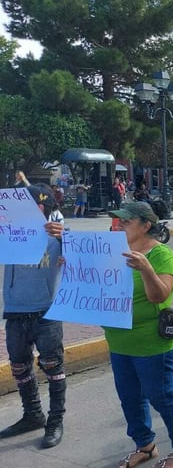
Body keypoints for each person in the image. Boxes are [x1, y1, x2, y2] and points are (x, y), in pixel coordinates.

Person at [106, 202, 173, 468]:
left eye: (126, 220)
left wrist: (145, 268)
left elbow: (159, 296)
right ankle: (144, 445)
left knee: (163, 396)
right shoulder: (113, 251)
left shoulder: (162, 255)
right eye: (118, 220)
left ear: (146, 225)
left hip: (152, 342)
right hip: (119, 339)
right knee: (129, 396)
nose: (119, 224)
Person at [0, 185, 66, 449]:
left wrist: (64, 240)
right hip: (15, 311)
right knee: (19, 366)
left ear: (43, 209)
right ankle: (32, 414)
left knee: (53, 368)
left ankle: (55, 421)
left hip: (46, 312)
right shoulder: (8, 233)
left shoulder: (59, 236)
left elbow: (87, 259)